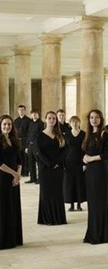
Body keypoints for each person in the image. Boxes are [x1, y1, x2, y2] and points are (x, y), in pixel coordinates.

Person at [82, 109, 108, 244]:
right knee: (92, 204)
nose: (94, 120)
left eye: (96, 117)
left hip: (100, 171)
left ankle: (101, 235)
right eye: (91, 117)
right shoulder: (88, 135)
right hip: (89, 173)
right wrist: (84, 160)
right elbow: (85, 153)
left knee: (100, 203)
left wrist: (91, 158)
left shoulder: (104, 135)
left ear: (101, 119)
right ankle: (92, 233)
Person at [36, 111, 67, 225]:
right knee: (46, 193)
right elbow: (39, 152)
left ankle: (58, 218)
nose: (52, 120)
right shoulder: (40, 135)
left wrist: (57, 162)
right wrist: (50, 164)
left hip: (58, 168)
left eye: (54, 118)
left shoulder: (59, 135)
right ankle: (47, 218)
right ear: (45, 119)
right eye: (49, 118)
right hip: (45, 168)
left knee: (57, 193)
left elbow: (64, 151)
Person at [0, 115, 23, 249]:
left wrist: (18, 175)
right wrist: (14, 173)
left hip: (14, 180)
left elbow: (19, 160)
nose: (7, 127)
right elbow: (0, 163)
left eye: (9, 124)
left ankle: (13, 238)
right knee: (3, 207)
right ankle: (4, 239)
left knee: (13, 206)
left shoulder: (14, 140)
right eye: (4, 124)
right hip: (2, 178)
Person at [63, 116, 86, 212]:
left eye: (77, 122)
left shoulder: (83, 134)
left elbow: (85, 149)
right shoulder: (67, 134)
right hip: (69, 161)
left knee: (79, 182)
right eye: (73, 122)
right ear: (70, 123)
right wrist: (63, 162)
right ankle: (71, 204)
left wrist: (85, 163)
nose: (75, 123)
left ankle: (79, 204)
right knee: (70, 183)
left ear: (79, 123)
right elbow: (64, 149)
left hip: (80, 161)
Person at [25, 109, 44, 184]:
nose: (34, 115)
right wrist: (27, 146)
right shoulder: (30, 123)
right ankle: (32, 178)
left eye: (36, 114)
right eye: (33, 114)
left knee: (39, 162)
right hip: (30, 145)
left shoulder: (41, 123)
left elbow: (40, 135)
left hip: (37, 145)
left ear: (38, 115)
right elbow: (28, 134)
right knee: (30, 162)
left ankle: (40, 179)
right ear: (31, 115)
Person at [14, 105, 31, 176]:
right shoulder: (15, 121)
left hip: (25, 141)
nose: (21, 111)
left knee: (25, 157)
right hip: (17, 141)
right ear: (18, 111)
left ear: (25, 111)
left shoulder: (28, 120)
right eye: (20, 110)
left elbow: (29, 132)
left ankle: (26, 172)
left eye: (22, 110)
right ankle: (20, 172)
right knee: (19, 156)